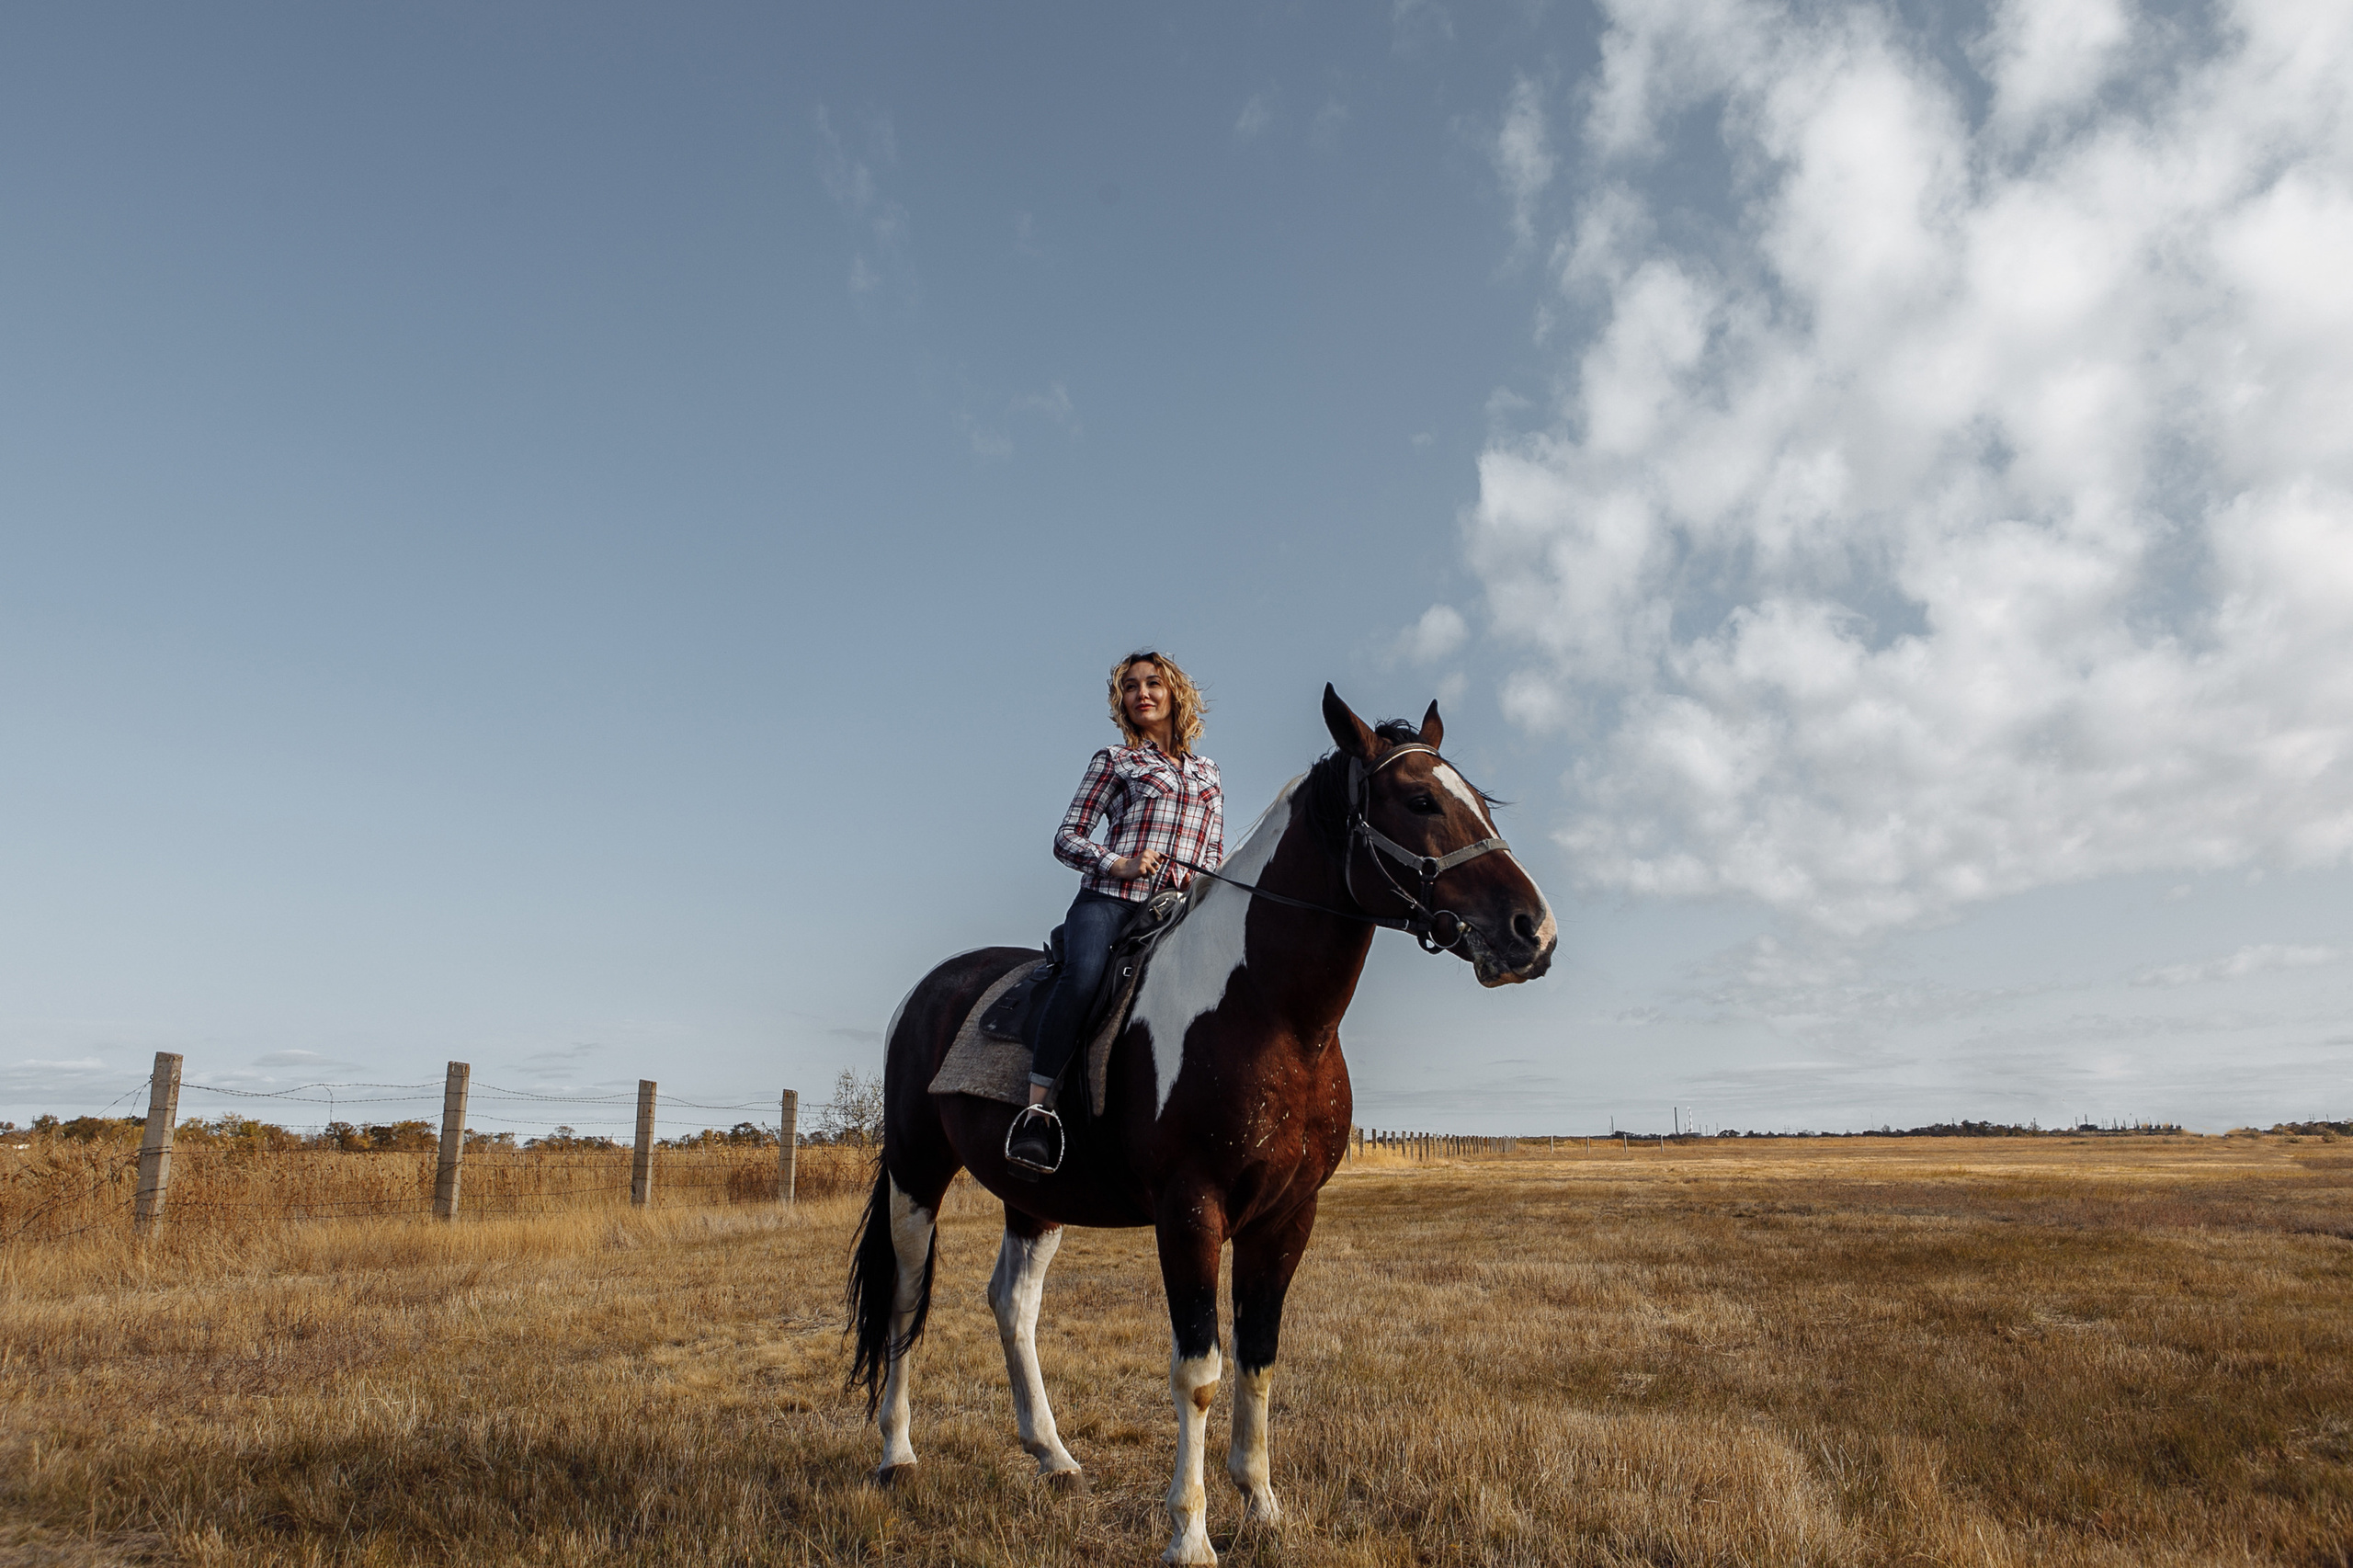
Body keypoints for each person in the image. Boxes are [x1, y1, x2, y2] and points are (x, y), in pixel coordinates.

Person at [1006, 651, 1223, 1174]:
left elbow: (1213, 854)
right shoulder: (1115, 760)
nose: (1141, 693)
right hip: (1109, 900)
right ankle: (1038, 1113)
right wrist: (1119, 863)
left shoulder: (1209, 773)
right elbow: (1067, 837)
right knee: (1083, 977)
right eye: (1130, 686)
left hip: (1174, 910)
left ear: (1175, 693)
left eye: (1153, 683)